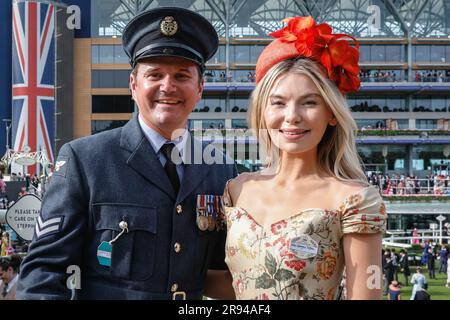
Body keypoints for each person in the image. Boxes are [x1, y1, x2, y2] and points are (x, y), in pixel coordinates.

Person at [17, 7, 237, 300]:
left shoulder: (221, 170)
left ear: (200, 88)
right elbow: (43, 274)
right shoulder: (86, 160)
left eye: (182, 75)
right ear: (133, 85)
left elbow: (226, 272)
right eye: (155, 74)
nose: (168, 86)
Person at [221, 16, 386, 300]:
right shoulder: (237, 189)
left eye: (309, 102)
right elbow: (232, 285)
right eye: (278, 102)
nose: (292, 116)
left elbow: (366, 294)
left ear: (332, 113)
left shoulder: (355, 200)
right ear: (262, 111)